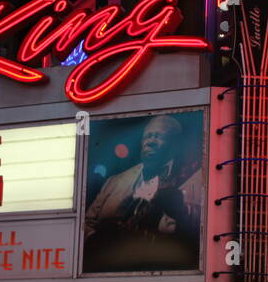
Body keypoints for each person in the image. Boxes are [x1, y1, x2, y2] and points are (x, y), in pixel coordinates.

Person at [83, 115, 203, 271]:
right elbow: (86, 224)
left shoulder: (195, 176)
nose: (151, 141)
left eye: (159, 137)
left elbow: (207, 225)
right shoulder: (115, 181)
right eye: (148, 136)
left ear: (174, 144)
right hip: (107, 267)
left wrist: (182, 212)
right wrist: (95, 240)